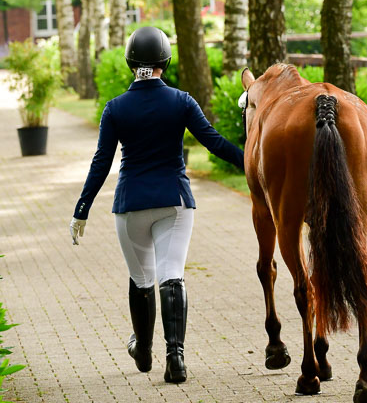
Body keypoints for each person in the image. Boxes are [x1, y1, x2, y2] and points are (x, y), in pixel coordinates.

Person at [69, 27, 244, 384]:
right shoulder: (182, 101)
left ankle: (144, 350)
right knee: (172, 275)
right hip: (174, 203)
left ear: (130, 62)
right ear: (166, 60)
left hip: (130, 205)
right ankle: (175, 358)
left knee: (141, 279)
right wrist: (253, 164)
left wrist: (81, 209)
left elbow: (101, 163)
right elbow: (214, 143)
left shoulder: (115, 108)